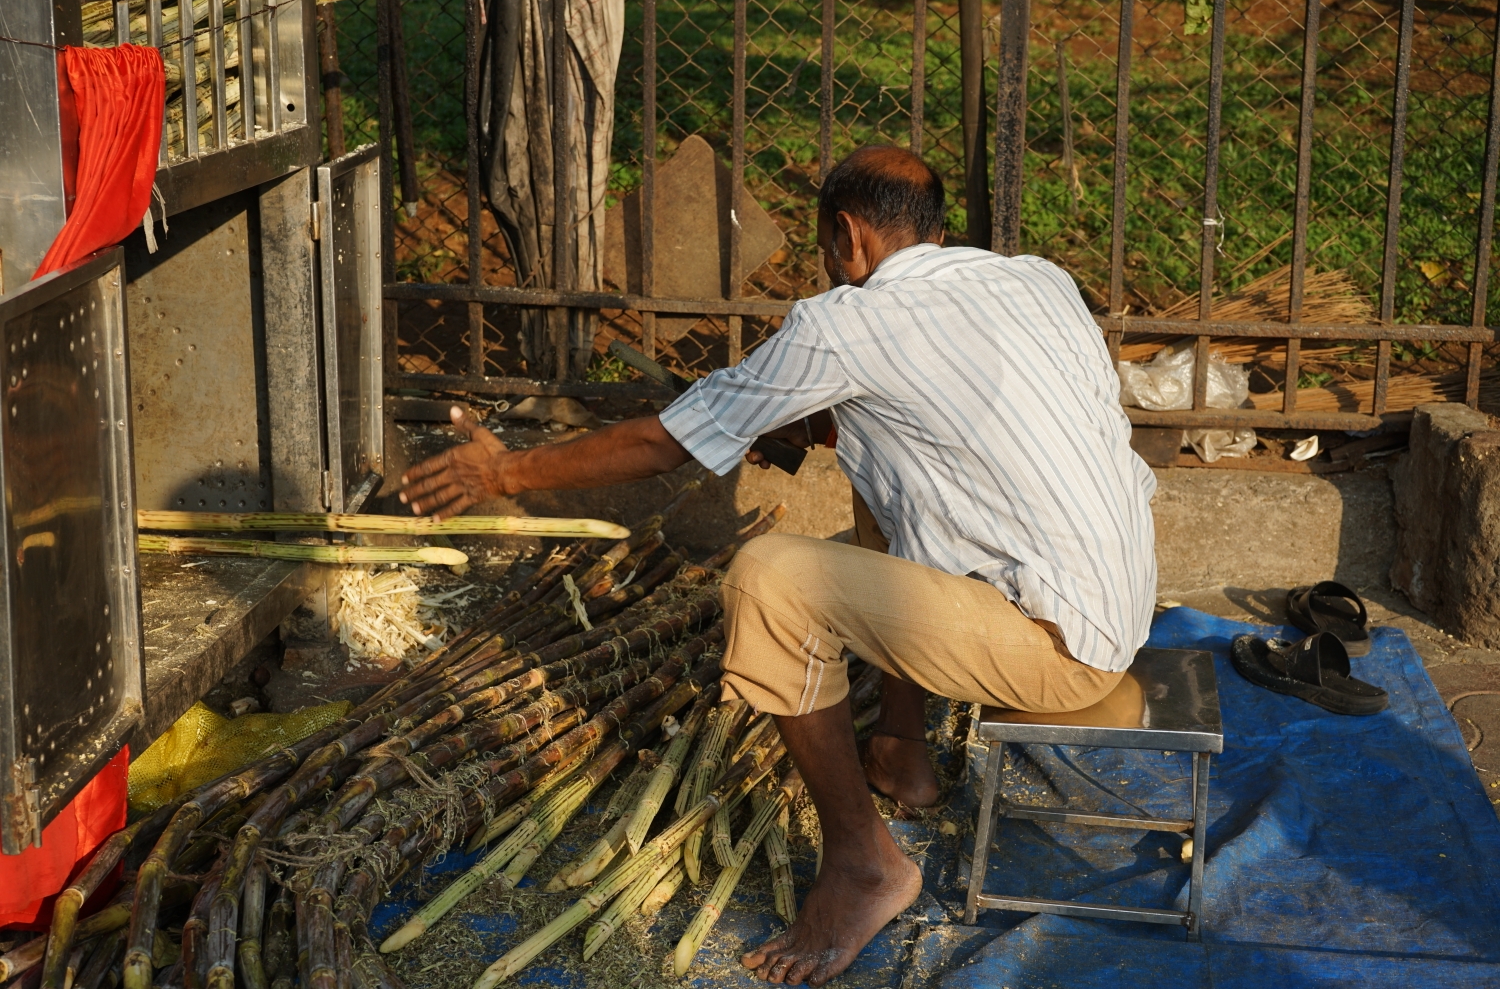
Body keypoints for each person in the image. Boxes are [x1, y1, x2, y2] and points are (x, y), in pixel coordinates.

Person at [397, 144, 1157, 986]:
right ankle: (904, 755)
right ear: (934, 226)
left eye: (826, 247)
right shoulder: (1034, 280)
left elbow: (661, 446)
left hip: (1053, 651)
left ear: (847, 235)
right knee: (879, 471)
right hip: (1114, 610)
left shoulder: (844, 323)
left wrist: (502, 473)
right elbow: (974, 419)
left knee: (770, 579)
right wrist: (825, 422)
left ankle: (865, 866)